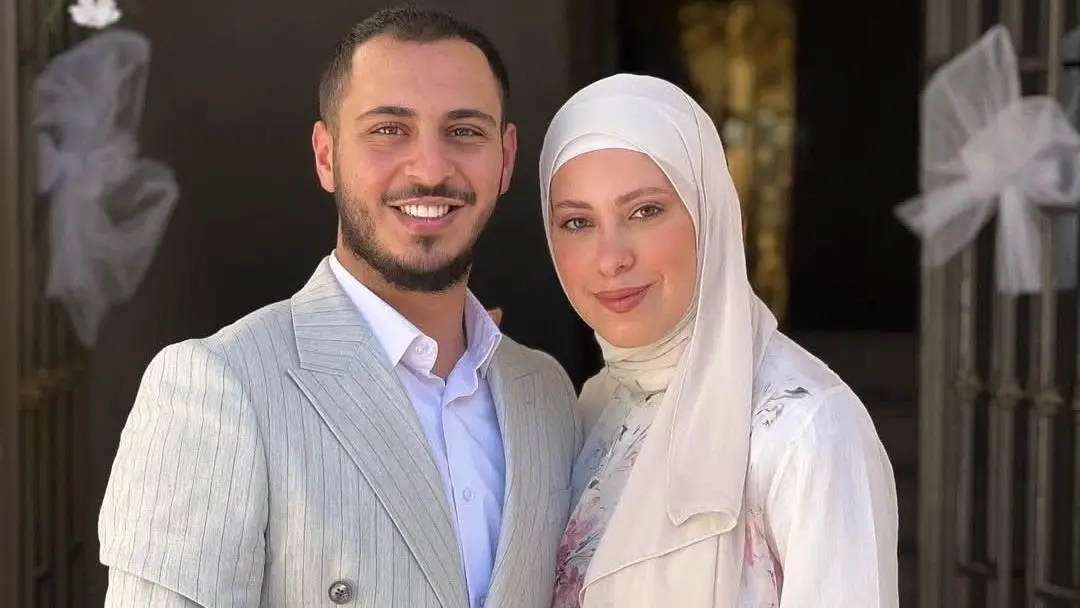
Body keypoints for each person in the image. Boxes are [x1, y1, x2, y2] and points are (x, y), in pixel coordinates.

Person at [98, 7, 581, 607]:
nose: (431, 168)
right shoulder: (220, 387)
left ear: (506, 158)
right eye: (389, 129)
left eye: (464, 131)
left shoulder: (547, 395)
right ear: (326, 156)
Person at [539, 74, 899, 607]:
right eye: (577, 222)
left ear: (710, 213)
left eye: (644, 211)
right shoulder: (592, 411)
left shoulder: (804, 430)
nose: (611, 258)